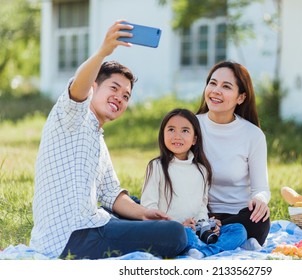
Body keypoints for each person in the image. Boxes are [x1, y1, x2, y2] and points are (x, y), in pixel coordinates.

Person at [29, 20, 187, 260]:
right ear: (94, 87)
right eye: (114, 88)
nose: (119, 98)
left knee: (134, 205)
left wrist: (144, 214)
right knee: (175, 234)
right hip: (74, 236)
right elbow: (78, 88)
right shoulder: (71, 116)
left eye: (126, 96)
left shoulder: (98, 140)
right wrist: (104, 51)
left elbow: (112, 194)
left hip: (87, 227)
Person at [140, 108, 247, 258]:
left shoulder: (202, 170)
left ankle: (204, 251)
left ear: (195, 139)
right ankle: (213, 248)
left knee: (239, 229)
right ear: (163, 134)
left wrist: (206, 224)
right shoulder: (156, 166)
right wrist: (177, 225)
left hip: (195, 229)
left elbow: (201, 205)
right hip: (172, 231)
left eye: (185, 131)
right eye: (171, 129)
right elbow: (148, 208)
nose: (177, 136)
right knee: (186, 235)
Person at [196, 61, 271, 250]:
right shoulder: (191, 126)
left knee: (259, 220)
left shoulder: (253, 135)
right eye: (212, 83)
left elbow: (261, 188)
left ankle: (211, 239)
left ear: (241, 97)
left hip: (238, 215)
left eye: (226, 86)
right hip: (200, 214)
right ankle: (231, 240)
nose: (216, 90)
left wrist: (260, 200)